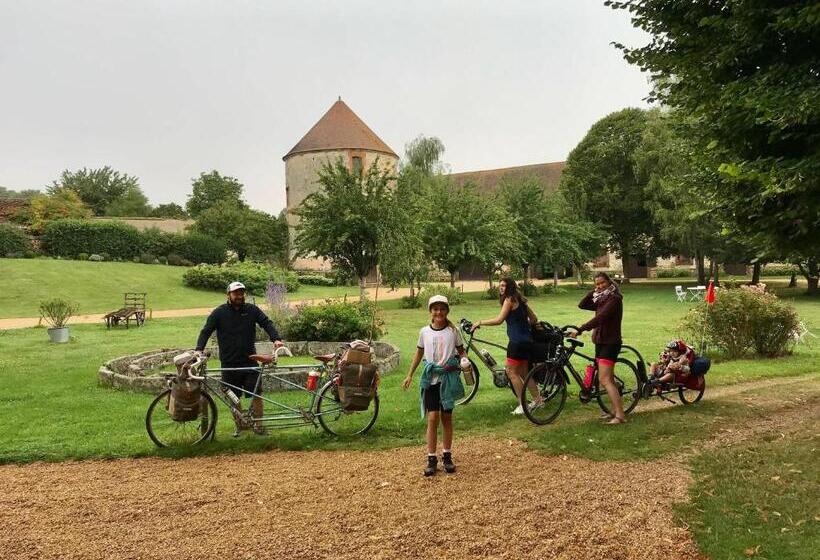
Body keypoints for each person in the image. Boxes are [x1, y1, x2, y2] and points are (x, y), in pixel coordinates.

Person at [195, 281, 284, 435]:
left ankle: (259, 426)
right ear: (228, 295)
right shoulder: (219, 313)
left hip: (250, 360)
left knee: (256, 394)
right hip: (229, 363)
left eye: (241, 293)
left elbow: (266, 323)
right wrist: (198, 349)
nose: (239, 296)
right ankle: (240, 425)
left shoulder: (252, 310)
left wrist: (276, 338)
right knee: (232, 396)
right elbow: (206, 331)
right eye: (236, 293)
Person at [402, 295, 467, 477]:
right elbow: (419, 353)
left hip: (447, 379)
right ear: (430, 311)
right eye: (435, 309)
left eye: (442, 309)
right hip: (431, 379)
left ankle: (447, 456)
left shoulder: (453, 331)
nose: (439, 312)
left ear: (447, 311)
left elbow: (461, 351)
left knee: (446, 417)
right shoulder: (424, 332)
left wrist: (464, 361)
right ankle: (431, 458)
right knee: (432, 418)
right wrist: (409, 375)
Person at [470, 277, 540, 415]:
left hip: (516, 342)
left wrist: (480, 322)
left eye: (504, 285)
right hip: (527, 341)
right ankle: (538, 400)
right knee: (525, 373)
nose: (501, 287)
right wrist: (522, 324)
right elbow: (534, 319)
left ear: (510, 287)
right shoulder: (520, 300)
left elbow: (499, 320)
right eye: (500, 285)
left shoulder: (509, 300)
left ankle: (522, 405)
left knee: (511, 372)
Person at [569, 272, 626, 424]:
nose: (600, 286)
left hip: (610, 343)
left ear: (609, 282)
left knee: (604, 379)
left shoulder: (614, 299)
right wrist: (594, 291)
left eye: (602, 283)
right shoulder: (601, 298)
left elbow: (600, 318)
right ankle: (614, 411)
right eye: (597, 284)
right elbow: (582, 305)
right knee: (608, 379)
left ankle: (620, 416)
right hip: (600, 342)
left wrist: (580, 329)